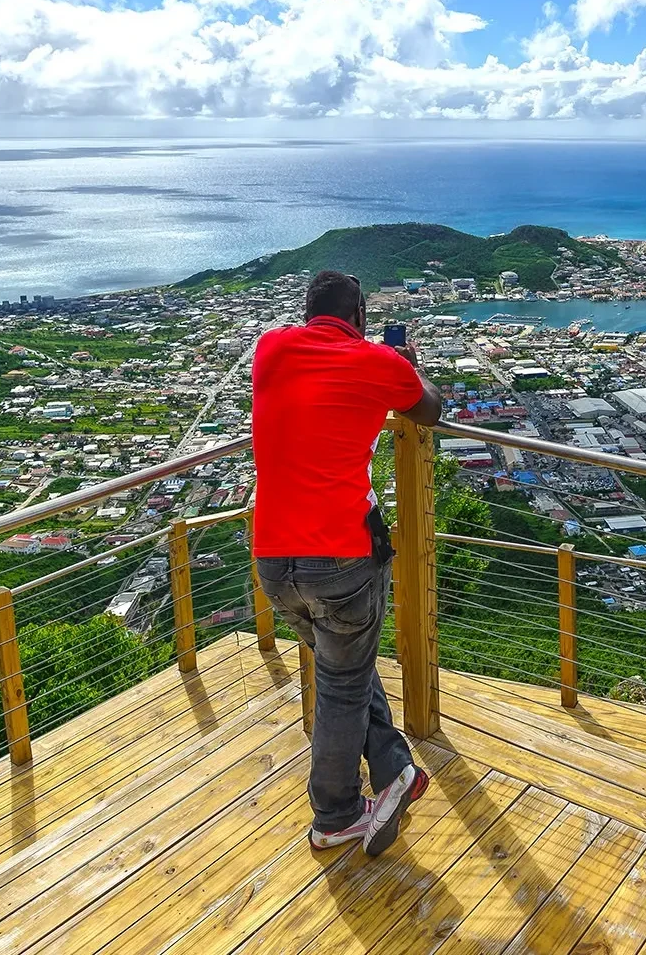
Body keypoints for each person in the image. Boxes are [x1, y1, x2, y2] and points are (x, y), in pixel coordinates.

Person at [251, 269, 444, 855]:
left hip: (272, 559)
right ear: (360, 314)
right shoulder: (378, 364)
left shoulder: (271, 348)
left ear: (306, 310)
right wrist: (407, 362)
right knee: (341, 682)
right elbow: (429, 410)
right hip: (338, 555)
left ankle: (393, 771)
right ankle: (335, 815)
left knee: (345, 667)